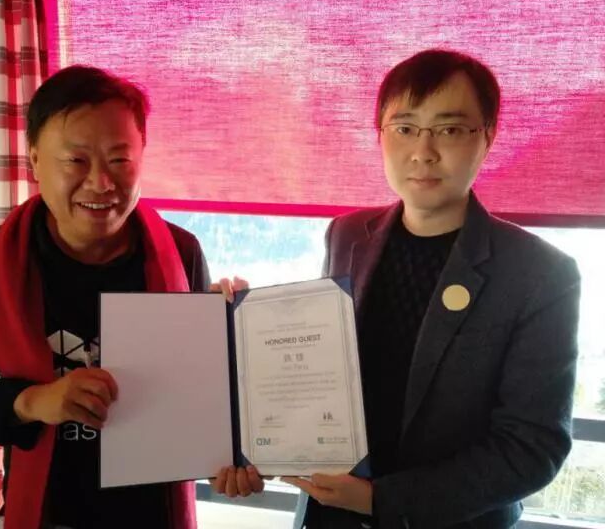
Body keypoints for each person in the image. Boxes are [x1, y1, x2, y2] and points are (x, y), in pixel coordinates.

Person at [214, 49, 581, 529]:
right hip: (330, 516)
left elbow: (532, 446)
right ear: (381, 135)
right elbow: (321, 369)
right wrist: (245, 323)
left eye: (449, 130)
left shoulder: (540, 273)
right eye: (405, 128)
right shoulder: (347, 235)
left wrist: (380, 501)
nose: (423, 151)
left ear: (487, 137)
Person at [0, 66, 211, 529]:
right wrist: (34, 401)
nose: (101, 182)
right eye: (76, 161)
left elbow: (202, 391)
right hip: (47, 508)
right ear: (35, 160)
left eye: (119, 160)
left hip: (151, 511)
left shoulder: (181, 254)